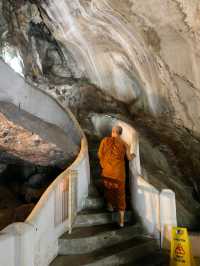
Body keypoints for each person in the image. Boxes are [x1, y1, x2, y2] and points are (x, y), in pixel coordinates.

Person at [98, 126, 135, 228]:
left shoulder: (104, 140)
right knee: (121, 195)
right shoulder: (125, 144)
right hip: (119, 173)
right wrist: (134, 155)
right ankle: (122, 221)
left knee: (108, 189)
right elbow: (129, 158)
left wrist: (104, 165)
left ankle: (110, 206)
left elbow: (100, 154)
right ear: (120, 133)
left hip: (107, 171)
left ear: (113, 132)